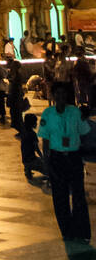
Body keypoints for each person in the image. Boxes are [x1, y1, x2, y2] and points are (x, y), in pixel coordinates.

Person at [38, 81, 92, 241]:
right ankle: (67, 231)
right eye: (57, 94)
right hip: (57, 158)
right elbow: (45, 139)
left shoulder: (74, 112)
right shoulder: (48, 114)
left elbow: (84, 132)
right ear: (53, 96)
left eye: (63, 94)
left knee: (79, 196)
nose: (61, 97)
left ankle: (81, 232)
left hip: (74, 157)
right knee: (60, 197)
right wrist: (47, 162)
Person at [20, 113, 49, 185]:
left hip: (25, 160)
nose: (36, 123)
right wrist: (43, 158)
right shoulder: (32, 134)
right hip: (32, 160)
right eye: (35, 122)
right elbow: (37, 149)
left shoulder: (23, 132)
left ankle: (27, 169)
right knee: (48, 169)